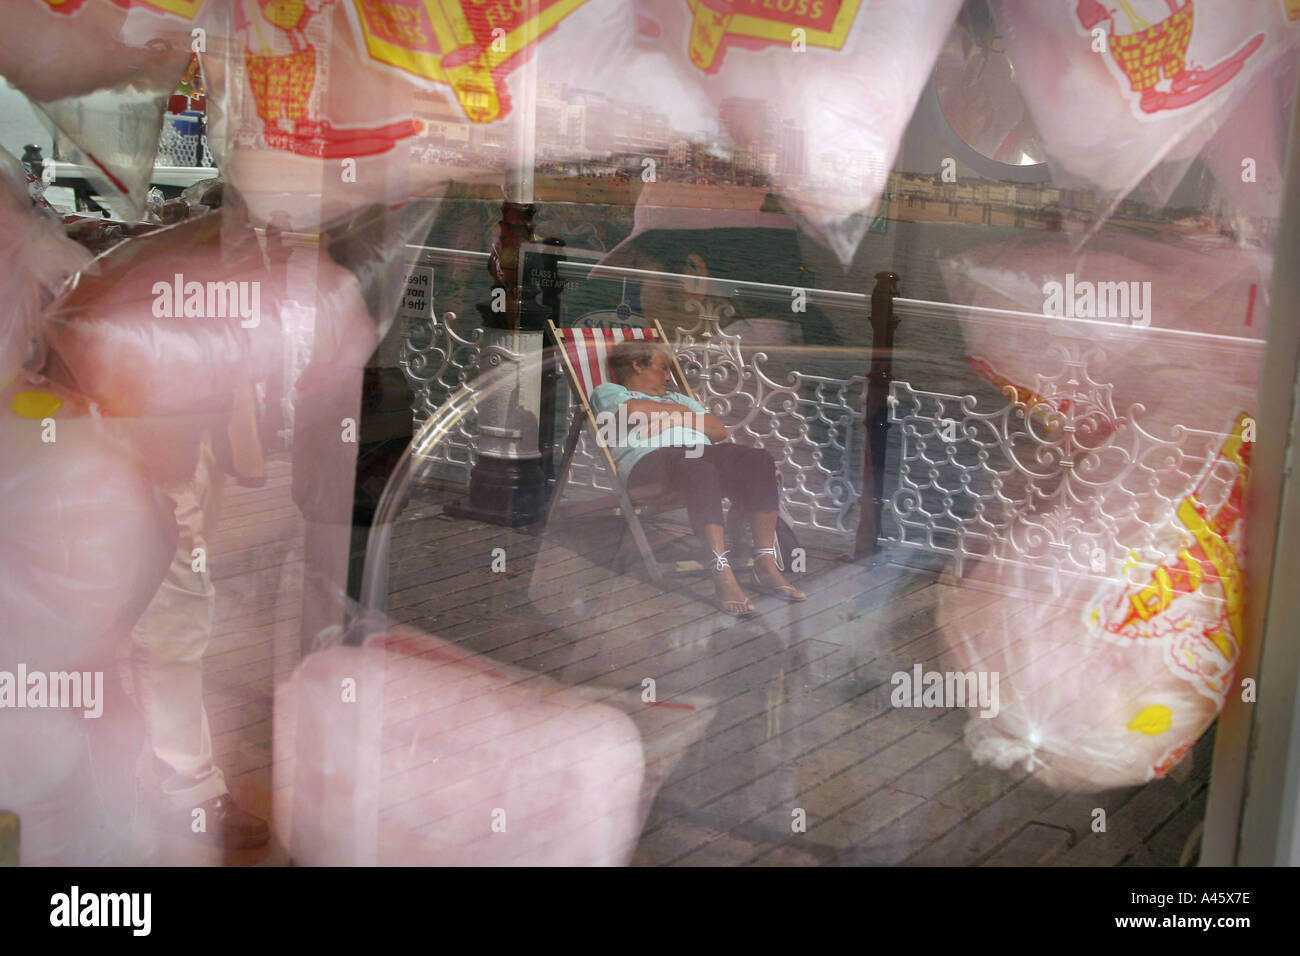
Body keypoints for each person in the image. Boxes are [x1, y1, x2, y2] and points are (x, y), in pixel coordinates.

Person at [589, 340, 805, 616]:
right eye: (663, 368)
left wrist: (671, 415)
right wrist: (685, 417)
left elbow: (717, 430)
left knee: (758, 460)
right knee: (699, 468)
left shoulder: (679, 399)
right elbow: (634, 413)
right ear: (636, 365)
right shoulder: (610, 392)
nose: (669, 377)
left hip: (698, 454)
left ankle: (765, 563)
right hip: (649, 464)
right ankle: (721, 572)